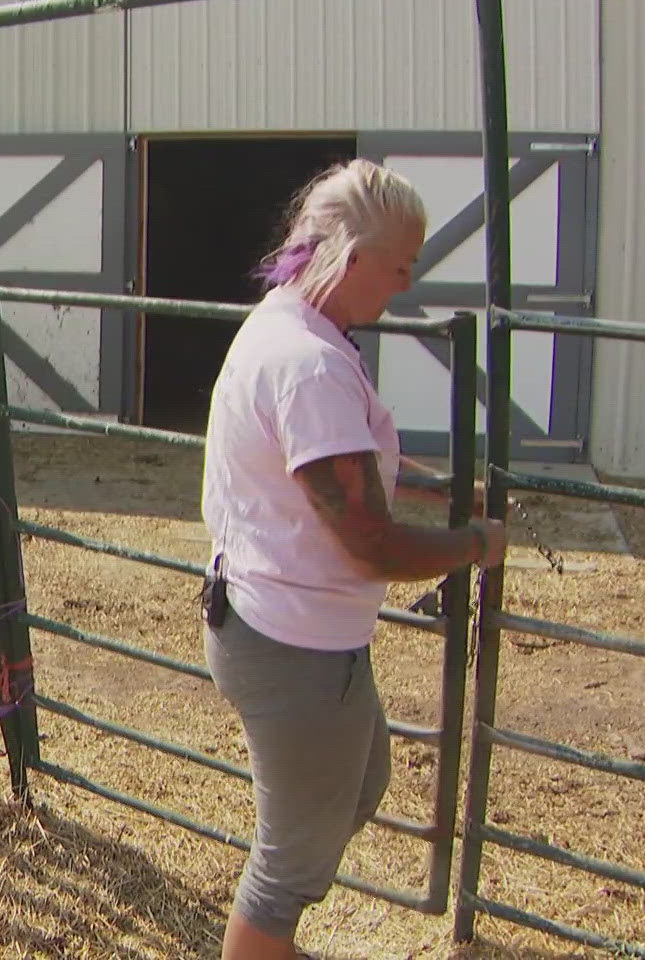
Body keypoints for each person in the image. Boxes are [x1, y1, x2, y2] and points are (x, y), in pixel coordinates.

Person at [200, 159, 508, 960]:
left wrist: (439, 498)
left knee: (359, 785)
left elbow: (340, 473)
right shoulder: (308, 366)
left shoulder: (291, 328)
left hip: (289, 624)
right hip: (293, 641)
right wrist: (475, 546)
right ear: (352, 255)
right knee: (286, 871)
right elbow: (370, 541)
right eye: (402, 264)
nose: (404, 284)